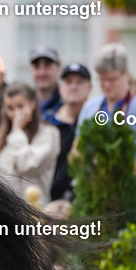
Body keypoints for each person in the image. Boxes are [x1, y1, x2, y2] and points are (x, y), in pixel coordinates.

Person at [77, 43, 136, 218]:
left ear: (126, 75)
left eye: (112, 79)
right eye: (102, 79)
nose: (106, 85)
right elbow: (77, 149)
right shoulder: (90, 108)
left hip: (131, 202)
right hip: (95, 200)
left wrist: (122, 169)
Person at [0, 83, 60, 201]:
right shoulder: (1, 136)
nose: (16, 113)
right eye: (10, 108)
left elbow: (27, 164)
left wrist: (17, 132)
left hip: (34, 210)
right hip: (4, 209)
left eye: (20, 106)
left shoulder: (49, 133)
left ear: (32, 104)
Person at [47, 63, 92, 201]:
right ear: (60, 88)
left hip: (87, 203)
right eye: (69, 82)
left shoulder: (98, 124)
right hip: (51, 206)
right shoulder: (48, 123)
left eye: (79, 82)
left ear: (90, 87)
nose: (74, 87)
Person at [29, 45, 62, 121]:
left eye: (47, 66)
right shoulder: (24, 102)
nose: (42, 73)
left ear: (58, 69)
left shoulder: (67, 102)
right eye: (37, 67)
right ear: (30, 70)